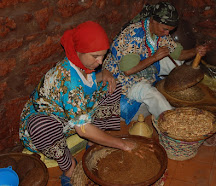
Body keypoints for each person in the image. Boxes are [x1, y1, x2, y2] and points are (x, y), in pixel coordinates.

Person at [19, 21, 136, 186]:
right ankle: (69, 166)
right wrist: (122, 144)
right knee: (40, 126)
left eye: (103, 55)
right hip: (47, 123)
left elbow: (87, 83)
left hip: (69, 115)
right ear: (78, 51)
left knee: (111, 86)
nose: (100, 61)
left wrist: (104, 74)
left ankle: (93, 142)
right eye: (95, 56)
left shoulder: (80, 64)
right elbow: (83, 128)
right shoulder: (68, 78)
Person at [103, 2, 208, 124]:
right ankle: (172, 123)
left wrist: (196, 51)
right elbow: (128, 71)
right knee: (153, 95)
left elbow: (177, 54)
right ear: (153, 20)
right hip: (124, 77)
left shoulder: (159, 33)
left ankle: (169, 87)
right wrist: (154, 58)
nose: (167, 33)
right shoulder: (134, 35)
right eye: (165, 29)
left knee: (178, 63)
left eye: (170, 30)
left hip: (145, 64)